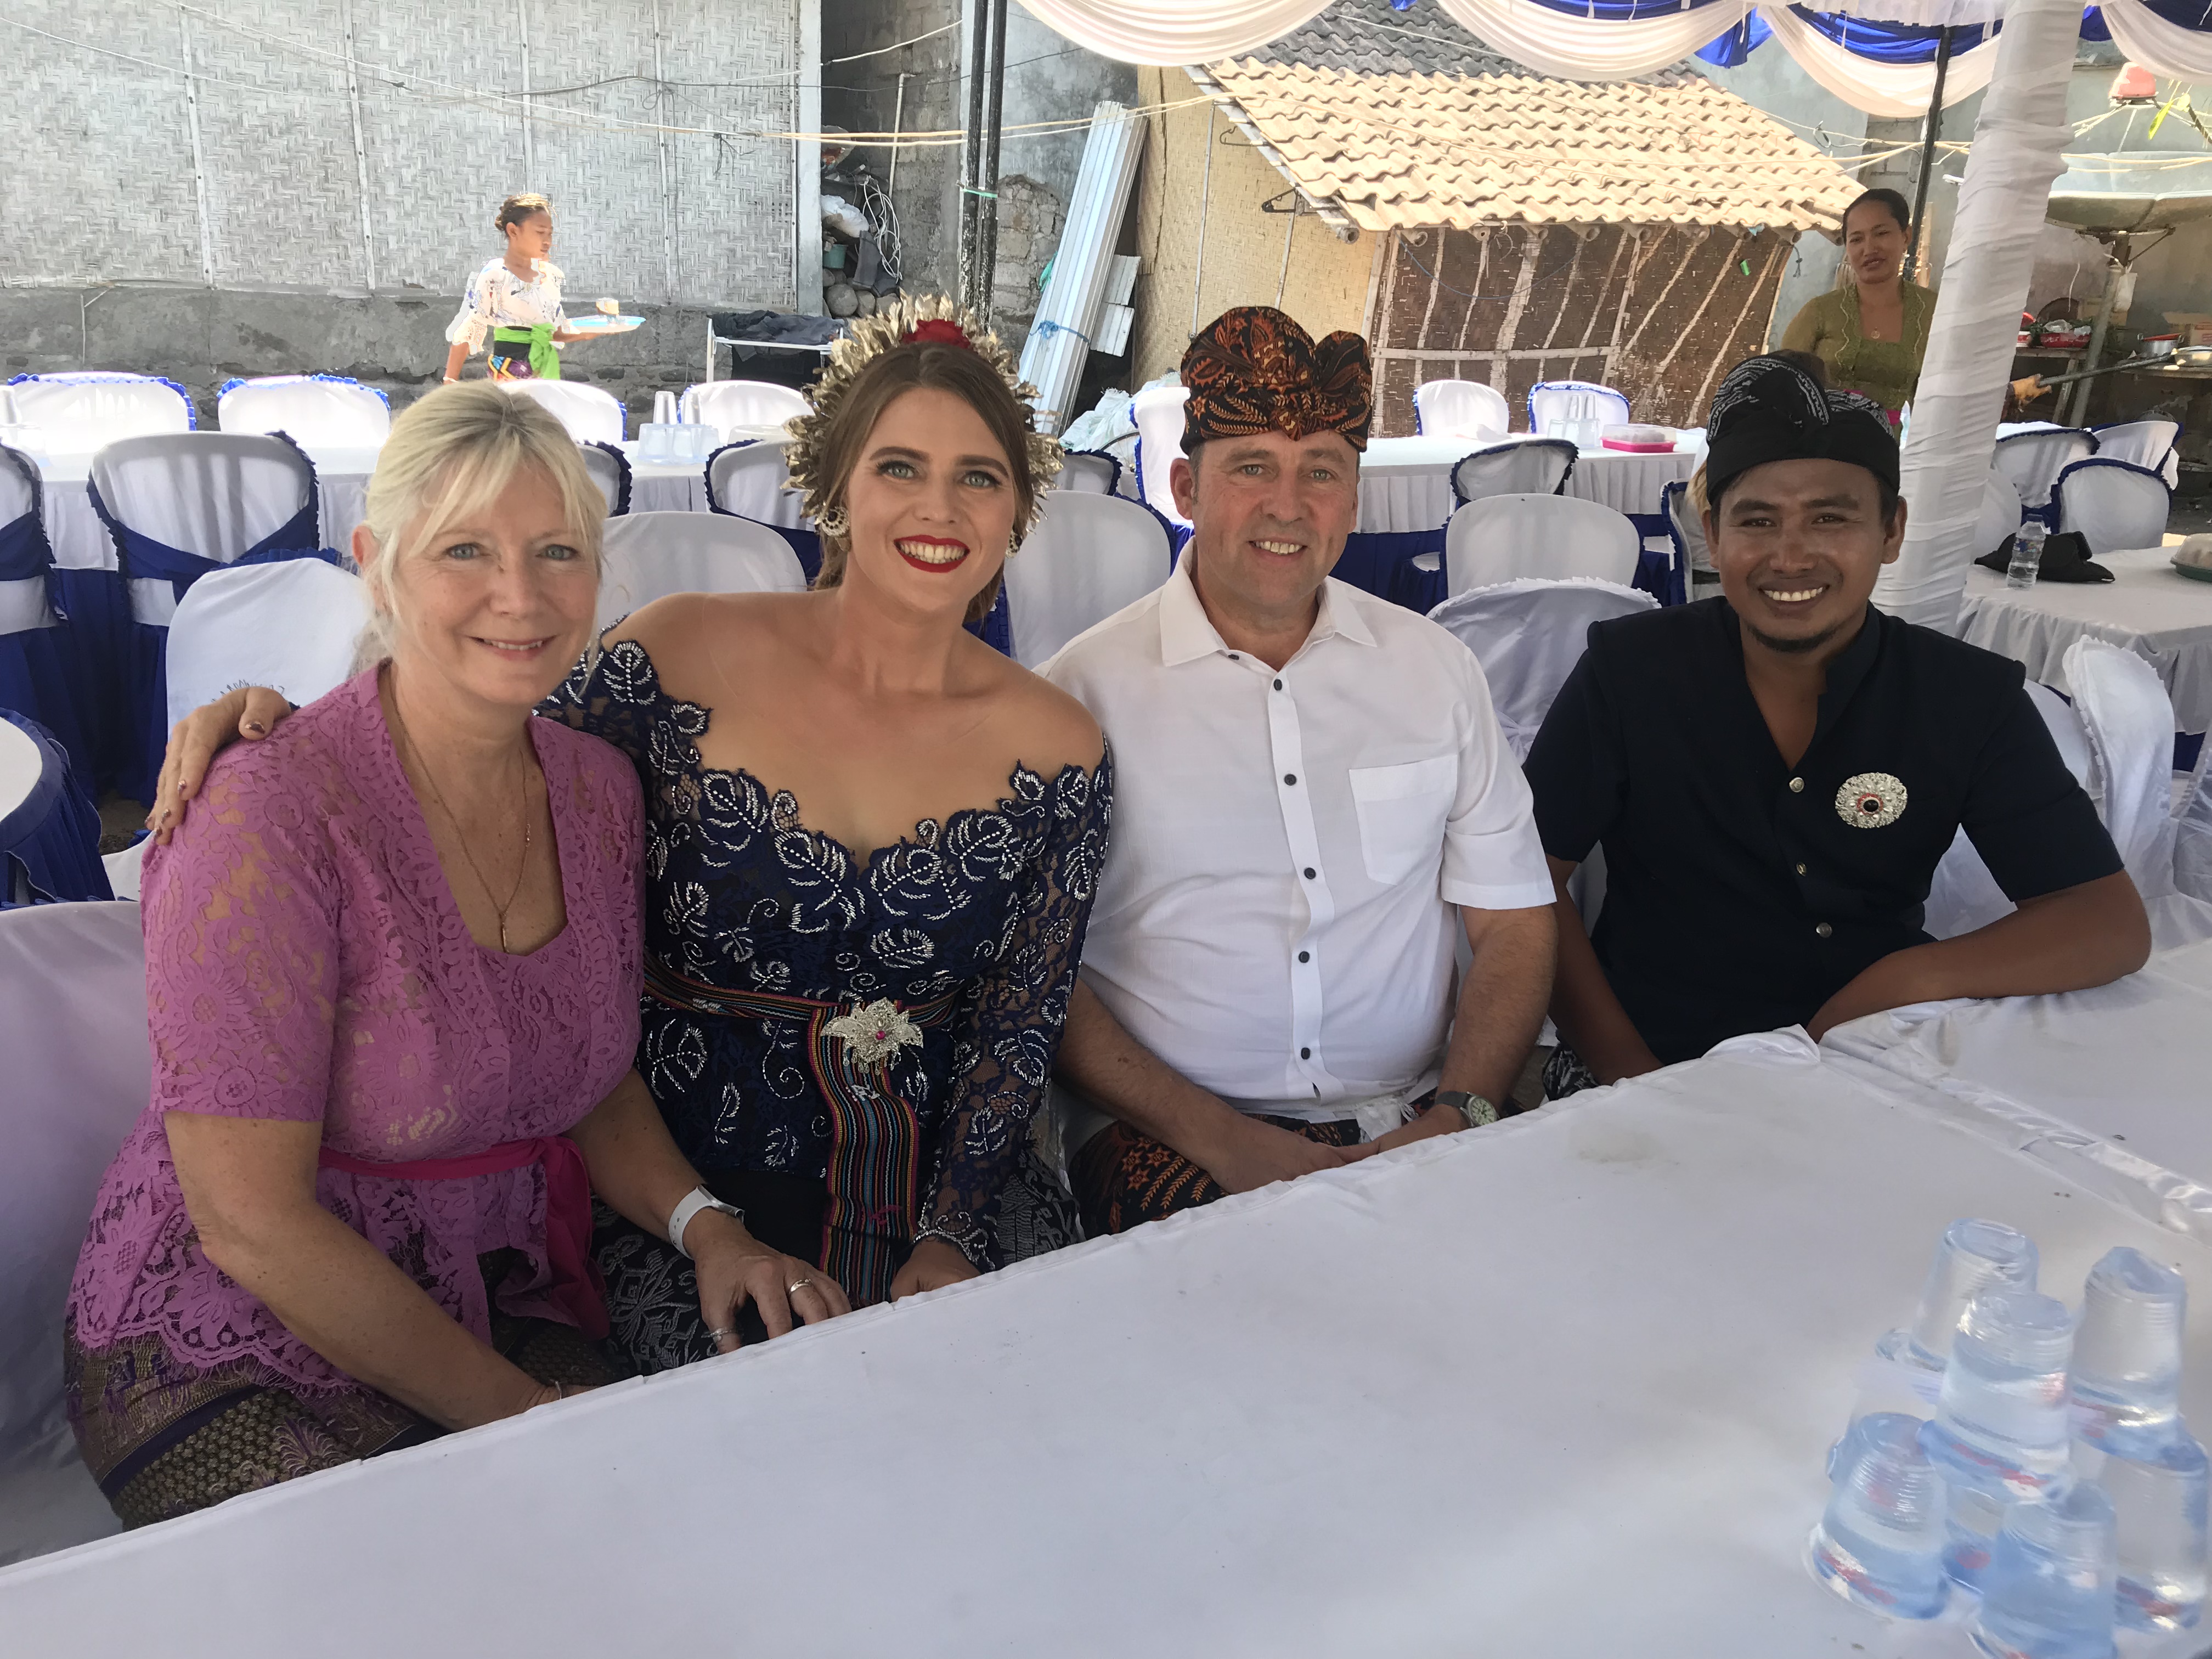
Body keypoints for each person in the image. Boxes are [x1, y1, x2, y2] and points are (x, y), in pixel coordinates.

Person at [148, 298, 1111, 1372]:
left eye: (977, 475)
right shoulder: (678, 653)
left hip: (946, 1182)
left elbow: (1020, 1019)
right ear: (836, 482)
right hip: (679, 1186)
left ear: (1021, 504)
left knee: (1027, 1392)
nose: (938, 508)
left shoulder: (1061, 744)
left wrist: (952, 1234)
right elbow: (476, 741)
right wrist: (275, 717)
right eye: (899, 467)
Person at [65, 386, 797, 1526]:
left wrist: (712, 1229)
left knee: (672, 1531)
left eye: (558, 551)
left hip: (490, 1291)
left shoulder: (598, 790)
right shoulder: (268, 814)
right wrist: (522, 1422)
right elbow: (250, 1222)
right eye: (466, 550)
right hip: (237, 1335)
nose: (521, 594)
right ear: (377, 560)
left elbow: (589, 1072)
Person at [1040, 306, 1558, 1237]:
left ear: (1354, 502)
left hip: (1423, 1114)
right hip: (1170, 1135)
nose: (1288, 505)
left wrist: (1461, 1110)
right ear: (1186, 486)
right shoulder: (1080, 697)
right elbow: (1039, 972)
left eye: (1320, 470)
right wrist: (1229, 1140)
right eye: (1252, 469)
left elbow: (1513, 917)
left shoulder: (1433, 669)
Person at [1523, 354, 2151, 1098]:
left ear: (1892, 530)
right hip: (1649, 1055)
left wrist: (1907, 975)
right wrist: (1633, 1075)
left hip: (1872, 1059)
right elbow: (1526, 880)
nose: (1791, 555)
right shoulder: (1630, 671)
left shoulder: (1964, 695)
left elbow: (2106, 922)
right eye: (1757, 520)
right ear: (1714, 534)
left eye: (1831, 517)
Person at [1779, 189, 1935, 419]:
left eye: (1881, 233)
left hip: (1884, 450)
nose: (1869, 249)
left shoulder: (1935, 312)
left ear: (1906, 236)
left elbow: (1939, 399)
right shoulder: (1820, 312)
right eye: (1857, 239)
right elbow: (1779, 385)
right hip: (1813, 447)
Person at [442, 194, 597, 384]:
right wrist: (450, 378)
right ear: (513, 231)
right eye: (540, 232)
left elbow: (555, 331)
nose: (548, 241)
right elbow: (474, 324)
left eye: (550, 233)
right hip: (509, 371)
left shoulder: (549, 275)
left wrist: (598, 329)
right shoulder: (497, 273)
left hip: (543, 367)